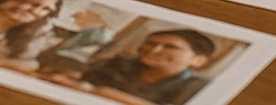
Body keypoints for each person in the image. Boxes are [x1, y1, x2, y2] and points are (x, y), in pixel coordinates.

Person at [50, 29, 214, 105]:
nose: (154, 50)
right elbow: (82, 79)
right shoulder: (121, 63)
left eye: (170, 47)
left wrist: (101, 92)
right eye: (151, 44)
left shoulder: (199, 87)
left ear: (198, 60)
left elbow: (92, 88)